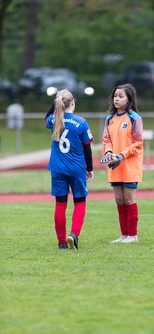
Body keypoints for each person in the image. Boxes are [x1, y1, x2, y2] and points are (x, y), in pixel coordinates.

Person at [45, 89, 94, 250]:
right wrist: (90, 168)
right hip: (76, 168)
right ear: (72, 102)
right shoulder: (81, 122)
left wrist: (56, 102)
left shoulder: (54, 119)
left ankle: (61, 242)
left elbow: (46, 117)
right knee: (80, 201)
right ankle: (73, 234)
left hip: (58, 169)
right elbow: (87, 148)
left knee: (60, 204)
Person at [100, 84, 143, 243]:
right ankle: (124, 234)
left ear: (129, 99)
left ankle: (133, 235)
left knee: (129, 199)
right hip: (114, 164)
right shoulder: (109, 118)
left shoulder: (134, 118)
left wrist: (121, 156)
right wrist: (109, 153)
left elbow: (137, 143)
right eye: (115, 96)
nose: (116, 99)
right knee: (119, 199)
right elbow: (106, 140)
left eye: (121, 96)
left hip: (129, 165)